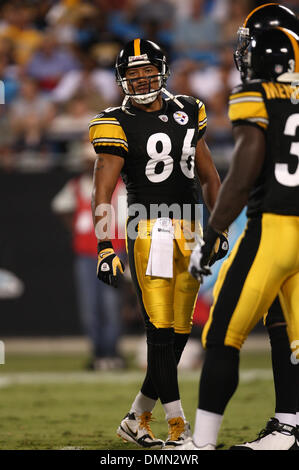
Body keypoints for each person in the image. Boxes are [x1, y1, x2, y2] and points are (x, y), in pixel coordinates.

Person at [89, 38, 228, 449]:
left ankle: (137, 416)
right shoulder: (114, 121)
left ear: (162, 70)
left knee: (179, 334)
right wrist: (104, 246)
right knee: (160, 333)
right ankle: (176, 427)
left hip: (190, 230)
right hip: (149, 229)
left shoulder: (189, 109)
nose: (142, 78)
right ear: (121, 79)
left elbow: (209, 176)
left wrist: (217, 228)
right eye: (132, 73)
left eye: (147, 70)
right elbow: (103, 190)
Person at [181, 17, 299, 451]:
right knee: (291, 335)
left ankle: (202, 444)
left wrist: (214, 230)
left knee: (221, 336)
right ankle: (290, 427)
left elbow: (246, 167)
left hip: (273, 228)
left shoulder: (257, 94)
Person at [52, 141, 127, 370]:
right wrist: (75, 227)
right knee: (90, 307)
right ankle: (98, 352)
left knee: (111, 304)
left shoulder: (120, 187)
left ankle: (112, 351)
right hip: (86, 253)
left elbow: (126, 223)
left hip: (113, 253)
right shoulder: (77, 186)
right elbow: (59, 205)